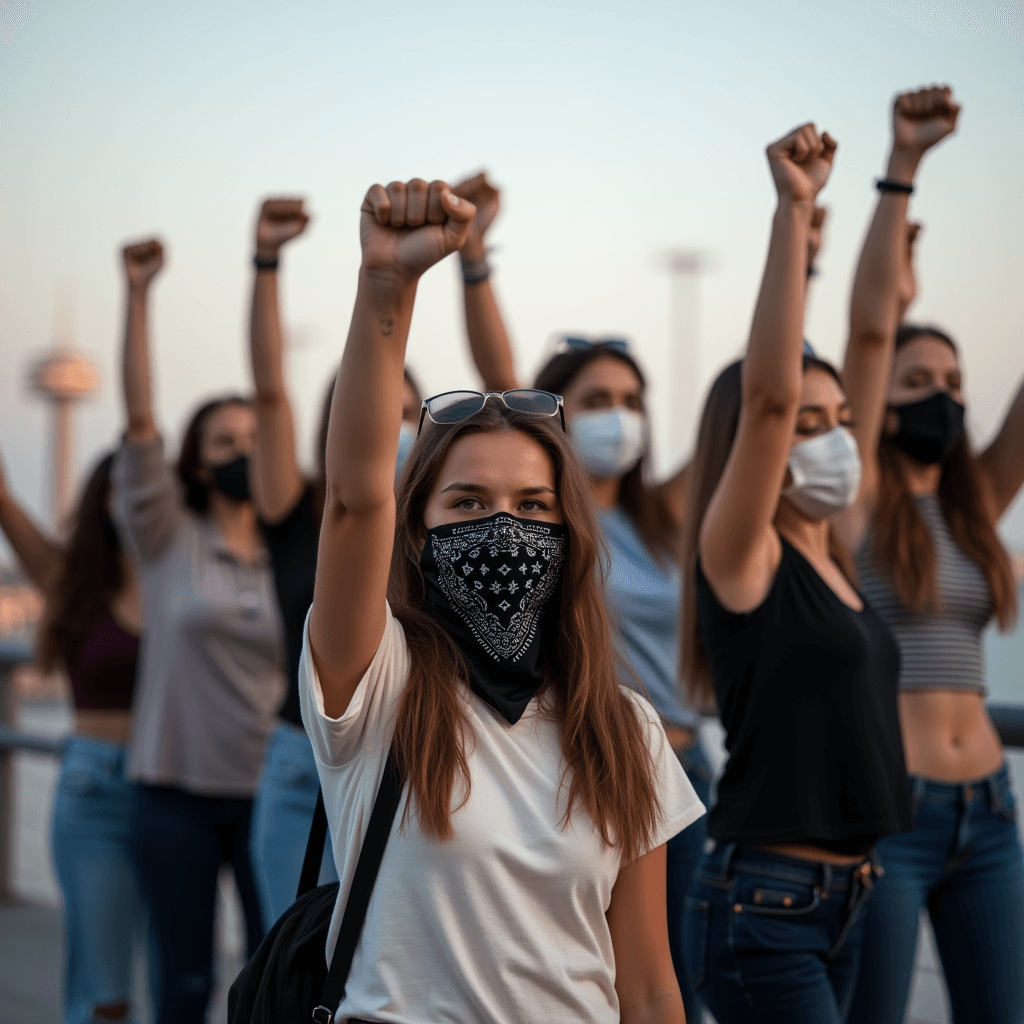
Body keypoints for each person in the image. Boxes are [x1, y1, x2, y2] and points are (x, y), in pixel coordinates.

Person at [301, 176, 705, 1024]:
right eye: (467, 503)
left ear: (570, 537)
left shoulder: (626, 730)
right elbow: (354, 497)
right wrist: (387, 286)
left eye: (533, 507)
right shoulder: (377, 689)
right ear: (417, 533)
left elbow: (650, 985)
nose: (503, 529)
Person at [451, 170, 711, 1022]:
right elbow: (500, 384)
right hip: (579, 765)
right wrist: (475, 259)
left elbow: (763, 414)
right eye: (596, 400)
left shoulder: (668, 513)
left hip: (677, 767)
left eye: (633, 401)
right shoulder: (542, 521)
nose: (619, 416)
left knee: (672, 988)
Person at [679, 122, 913, 1023]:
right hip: (766, 901)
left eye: (843, 418)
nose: (835, 439)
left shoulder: (835, 542)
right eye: (808, 425)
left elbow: (874, 330)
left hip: (858, 890)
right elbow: (771, 394)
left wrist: (900, 180)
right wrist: (794, 211)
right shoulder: (742, 552)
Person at [836, 86, 1024, 1024]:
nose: (941, 396)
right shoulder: (858, 494)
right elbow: (869, 332)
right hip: (892, 813)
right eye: (919, 382)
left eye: (954, 381)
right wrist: (902, 168)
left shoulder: (977, 501)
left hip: (989, 809)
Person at [111, 239, 285, 1024]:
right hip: (173, 796)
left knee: (273, 980)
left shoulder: (295, 550)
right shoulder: (165, 534)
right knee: (182, 987)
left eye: (254, 441)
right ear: (197, 463)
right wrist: (140, 295)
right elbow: (142, 421)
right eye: (225, 444)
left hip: (270, 795)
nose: (243, 454)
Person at [246, 197, 428, 925]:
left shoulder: (439, 534)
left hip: (408, 773)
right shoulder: (299, 513)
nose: (396, 426)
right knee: (292, 969)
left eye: (411, 412)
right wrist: (265, 261)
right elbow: (267, 394)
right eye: (386, 409)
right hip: (301, 770)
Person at [0, 448, 143, 1024]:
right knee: (102, 987)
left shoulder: (190, 585)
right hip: (94, 786)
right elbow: (5, 504)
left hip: (177, 789)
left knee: (183, 971)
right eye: (122, 489)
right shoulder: (71, 580)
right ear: (101, 501)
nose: (135, 501)